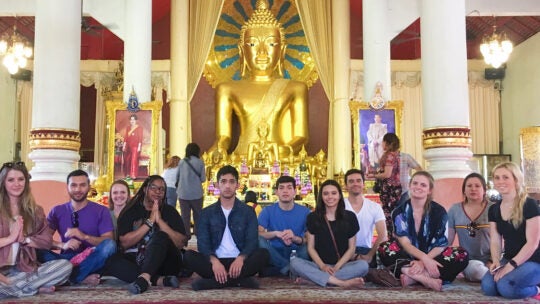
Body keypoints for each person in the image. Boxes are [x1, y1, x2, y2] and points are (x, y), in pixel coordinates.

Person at [209, 0, 309, 159]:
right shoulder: (226, 89)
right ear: (242, 50)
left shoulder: (296, 88)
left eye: (271, 43)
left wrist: (282, 150)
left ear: (282, 50)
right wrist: (218, 149)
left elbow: (301, 137)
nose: (262, 52)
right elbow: (224, 137)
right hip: (242, 159)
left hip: (279, 159)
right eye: (253, 43)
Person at [378, 171, 469, 291]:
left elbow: (440, 245)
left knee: (461, 254)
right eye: (415, 183)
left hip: (433, 256)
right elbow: (405, 244)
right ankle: (425, 279)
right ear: (410, 186)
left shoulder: (439, 211)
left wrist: (423, 261)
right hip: (407, 257)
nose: (418, 187)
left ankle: (412, 277)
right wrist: (424, 260)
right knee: (384, 248)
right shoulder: (399, 212)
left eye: (423, 185)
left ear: (429, 190)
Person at [184, 165, 269, 291]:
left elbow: (252, 241)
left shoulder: (247, 212)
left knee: (264, 254)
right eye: (223, 182)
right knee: (188, 256)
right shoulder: (206, 213)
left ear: (237, 185)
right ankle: (239, 281)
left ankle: (213, 283)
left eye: (231, 182)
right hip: (215, 263)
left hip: (240, 262)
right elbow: (203, 243)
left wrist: (241, 258)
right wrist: (214, 261)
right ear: (217, 185)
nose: (227, 186)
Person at [0, 161, 72, 298]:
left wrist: (24, 239)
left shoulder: (35, 211)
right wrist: (11, 238)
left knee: (65, 266)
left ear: (26, 182)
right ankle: (33, 288)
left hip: (21, 270)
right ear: (3, 182)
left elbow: (46, 241)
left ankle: (14, 287)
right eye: (11, 180)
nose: (17, 184)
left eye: (21, 179)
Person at [110, 175, 188, 294]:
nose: (158, 192)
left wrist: (160, 221)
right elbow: (124, 243)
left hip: (166, 262)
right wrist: (150, 222)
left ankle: (145, 278)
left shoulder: (170, 211)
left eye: (161, 189)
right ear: (145, 189)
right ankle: (159, 280)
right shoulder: (130, 211)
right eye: (154, 188)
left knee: (160, 236)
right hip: (138, 260)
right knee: (112, 261)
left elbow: (180, 243)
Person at [37, 169, 116, 286]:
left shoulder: (101, 210)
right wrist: (62, 245)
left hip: (91, 259)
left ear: (89, 187)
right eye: (73, 185)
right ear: (67, 187)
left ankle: (70, 277)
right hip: (64, 261)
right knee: (34, 248)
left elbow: (109, 240)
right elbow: (43, 240)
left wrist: (84, 236)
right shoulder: (57, 211)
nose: (78, 189)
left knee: (110, 246)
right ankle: (80, 277)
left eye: (82, 185)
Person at [290, 179, 368, 288]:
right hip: (318, 265)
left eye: (334, 193)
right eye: (326, 193)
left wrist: (337, 266)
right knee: (295, 263)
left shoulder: (350, 217)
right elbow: (310, 248)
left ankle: (314, 280)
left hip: (342, 266)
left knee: (363, 266)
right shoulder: (313, 217)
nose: (330, 197)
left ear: (340, 196)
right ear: (321, 197)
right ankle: (341, 282)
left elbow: (352, 249)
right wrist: (322, 267)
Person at [481, 162, 540, 299]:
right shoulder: (494, 209)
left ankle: (536, 289)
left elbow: (533, 243)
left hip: (534, 260)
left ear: (516, 179)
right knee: (489, 287)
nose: (500, 181)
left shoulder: (529, 204)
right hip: (509, 257)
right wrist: (496, 261)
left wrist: (510, 267)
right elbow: (495, 241)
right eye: (497, 177)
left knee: (506, 287)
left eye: (505, 177)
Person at [258, 175, 311, 276]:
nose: (285, 191)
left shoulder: (306, 212)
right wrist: (275, 234)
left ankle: (284, 269)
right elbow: (258, 233)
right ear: (276, 192)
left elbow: (308, 239)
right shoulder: (267, 211)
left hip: (298, 252)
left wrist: (295, 238)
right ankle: (290, 268)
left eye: (289, 187)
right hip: (275, 253)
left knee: (310, 245)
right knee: (257, 239)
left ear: (295, 192)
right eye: (281, 188)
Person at [447, 173, 492, 282]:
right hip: (469, 261)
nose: (473, 189)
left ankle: (496, 278)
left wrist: (492, 261)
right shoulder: (455, 210)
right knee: (476, 270)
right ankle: (497, 279)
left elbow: (501, 239)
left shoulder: (493, 208)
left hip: (493, 259)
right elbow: (448, 241)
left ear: (484, 190)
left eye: (477, 186)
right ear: (464, 190)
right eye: (469, 186)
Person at [344, 169, 387, 268]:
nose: (355, 184)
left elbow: (383, 235)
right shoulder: (339, 206)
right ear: (346, 186)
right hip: (343, 250)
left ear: (364, 184)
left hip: (366, 250)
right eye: (351, 181)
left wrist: (370, 256)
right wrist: (352, 255)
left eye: (358, 181)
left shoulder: (374, 207)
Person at [367, 132, 402, 236]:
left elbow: (387, 174)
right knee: (391, 212)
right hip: (393, 188)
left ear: (387, 142)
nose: (381, 143)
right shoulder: (395, 154)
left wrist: (374, 176)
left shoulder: (390, 156)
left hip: (390, 189)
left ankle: (390, 237)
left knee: (388, 213)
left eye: (383, 141)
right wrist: (374, 173)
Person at [176, 143, 206, 239]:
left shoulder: (181, 162)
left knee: (185, 216)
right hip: (196, 193)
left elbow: (177, 176)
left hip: (183, 193)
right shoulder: (200, 162)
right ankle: (197, 233)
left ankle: (186, 235)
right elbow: (203, 179)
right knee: (198, 215)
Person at [123, 114, 144, 178]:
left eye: (133, 119)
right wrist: (124, 146)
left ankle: (133, 174)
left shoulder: (139, 128)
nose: (132, 121)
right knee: (127, 160)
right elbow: (126, 138)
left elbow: (140, 138)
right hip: (128, 147)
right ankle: (128, 174)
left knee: (134, 160)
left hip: (135, 146)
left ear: (136, 120)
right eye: (131, 119)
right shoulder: (128, 128)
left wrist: (139, 147)